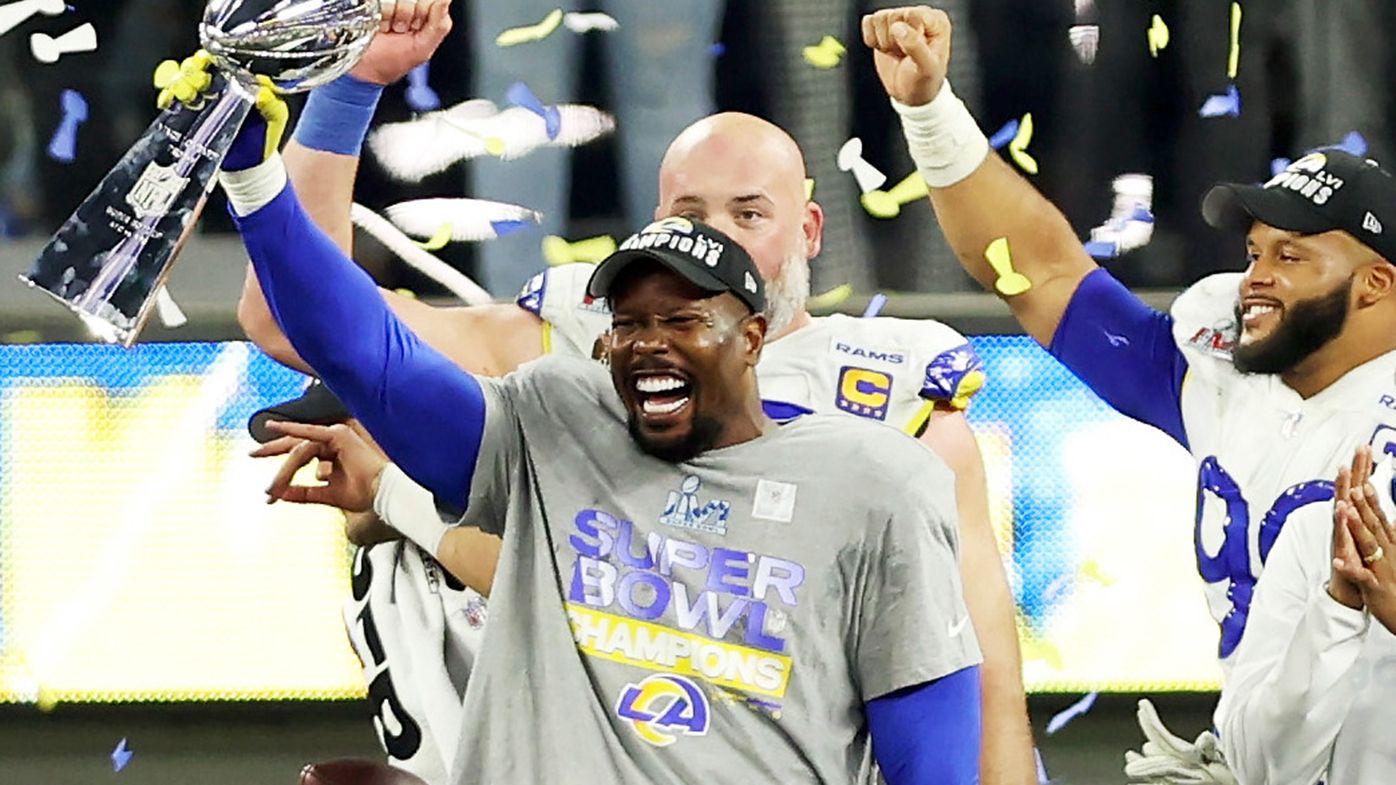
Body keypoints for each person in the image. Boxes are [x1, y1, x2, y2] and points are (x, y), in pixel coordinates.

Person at [237, 40, 1035, 785]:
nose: (649, 345)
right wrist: (295, 137)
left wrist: (395, 497)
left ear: (801, 241)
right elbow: (332, 331)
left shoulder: (888, 446)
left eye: (685, 318)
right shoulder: (558, 396)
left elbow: (972, 691)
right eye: (631, 320)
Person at [860, 5, 1396, 782]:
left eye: (1292, 256)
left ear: (1378, 284)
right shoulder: (1223, 364)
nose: (1257, 278)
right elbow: (1041, 271)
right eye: (1254, 252)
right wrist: (930, 111)